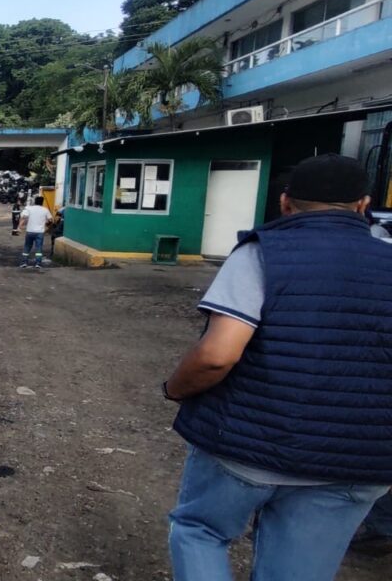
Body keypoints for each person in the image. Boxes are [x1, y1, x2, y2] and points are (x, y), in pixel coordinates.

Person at [163, 154, 392, 581]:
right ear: (364, 205)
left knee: (200, 530)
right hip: (358, 457)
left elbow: (217, 355)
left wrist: (175, 388)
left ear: (285, 204)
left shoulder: (264, 251)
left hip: (249, 444)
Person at [17, 196, 51, 268]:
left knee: (27, 247)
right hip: (40, 232)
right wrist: (46, 227)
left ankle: (24, 263)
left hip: (30, 231)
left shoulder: (29, 208)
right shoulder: (45, 210)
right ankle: (38, 263)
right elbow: (50, 220)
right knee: (39, 248)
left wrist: (19, 227)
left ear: (35, 201)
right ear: (42, 202)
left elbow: (23, 217)